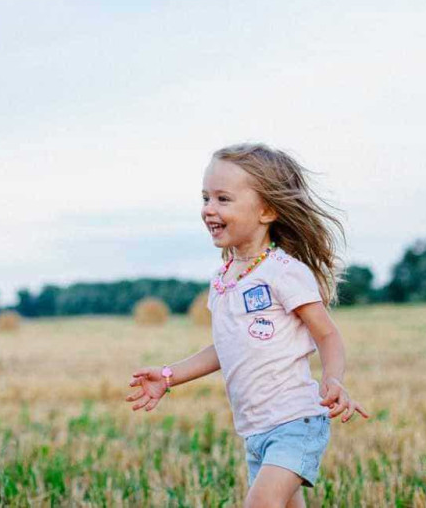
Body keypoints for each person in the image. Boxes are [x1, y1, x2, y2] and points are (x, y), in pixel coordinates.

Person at [125, 143, 369, 508]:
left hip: (295, 422)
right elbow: (225, 347)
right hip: (255, 430)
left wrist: (332, 379)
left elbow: (327, 333)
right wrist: (169, 375)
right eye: (205, 198)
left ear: (267, 210)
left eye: (223, 199)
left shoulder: (285, 273)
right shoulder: (223, 279)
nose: (209, 209)